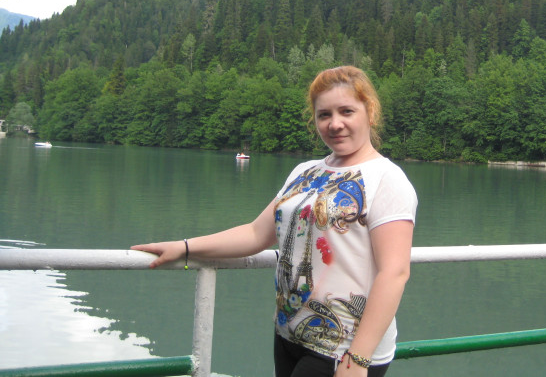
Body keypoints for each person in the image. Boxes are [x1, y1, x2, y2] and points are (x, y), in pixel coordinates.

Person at [132, 66, 418, 376]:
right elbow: (256, 233)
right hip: (288, 335)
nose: (335, 124)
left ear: (370, 112)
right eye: (324, 115)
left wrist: (358, 359)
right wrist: (185, 247)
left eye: (346, 111)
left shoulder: (387, 179)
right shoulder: (304, 172)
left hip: (344, 349)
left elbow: (394, 273)